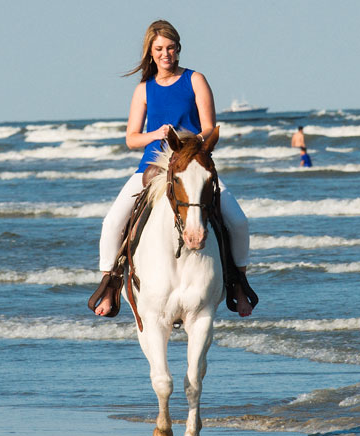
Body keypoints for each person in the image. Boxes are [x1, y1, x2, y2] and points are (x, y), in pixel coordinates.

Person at [93, 20, 252, 318]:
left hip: (190, 167)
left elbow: (209, 128)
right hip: (152, 169)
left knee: (238, 222)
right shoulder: (144, 89)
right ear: (150, 53)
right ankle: (110, 286)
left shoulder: (195, 80)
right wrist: (156, 135)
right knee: (113, 222)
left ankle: (238, 284)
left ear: (178, 49)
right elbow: (131, 138)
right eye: (159, 49)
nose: (165, 54)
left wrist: (186, 141)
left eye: (170, 48)